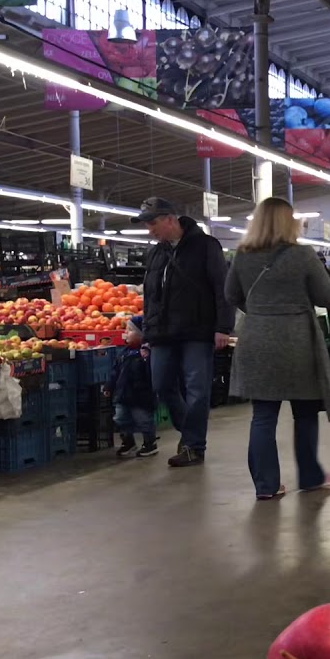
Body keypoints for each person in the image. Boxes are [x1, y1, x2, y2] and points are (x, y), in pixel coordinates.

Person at [224, 197, 330, 500]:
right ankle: (311, 477)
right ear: (288, 222)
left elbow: (231, 294)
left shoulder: (242, 255)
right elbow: (327, 295)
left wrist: (260, 312)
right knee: (304, 413)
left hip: (256, 339)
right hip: (297, 341)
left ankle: (266, 486)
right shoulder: (302, 255)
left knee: (262, 416)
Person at [136, 196, 232, 468]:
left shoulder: (206, 246)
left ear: (170, 219)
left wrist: (222, 327)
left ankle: (193, 445)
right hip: (162, 332)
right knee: (161, 385)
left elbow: (221, 288)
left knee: (197, 390)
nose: (150, 230)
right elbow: (150, 297)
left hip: (197, 331)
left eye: (153, 223)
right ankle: (189, 432)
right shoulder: (156, 252)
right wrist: (146, 333)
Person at [109, 315, 157, 458]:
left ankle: (150, 443)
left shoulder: (146, 355)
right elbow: (115, 371)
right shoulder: (123, 353)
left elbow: (151, 374)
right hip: (123, 394)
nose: (125, 333)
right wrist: (109, 386)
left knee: (143, 420)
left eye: (129, 330)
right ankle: (128, 442)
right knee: (120, 418)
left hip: (140, 396)